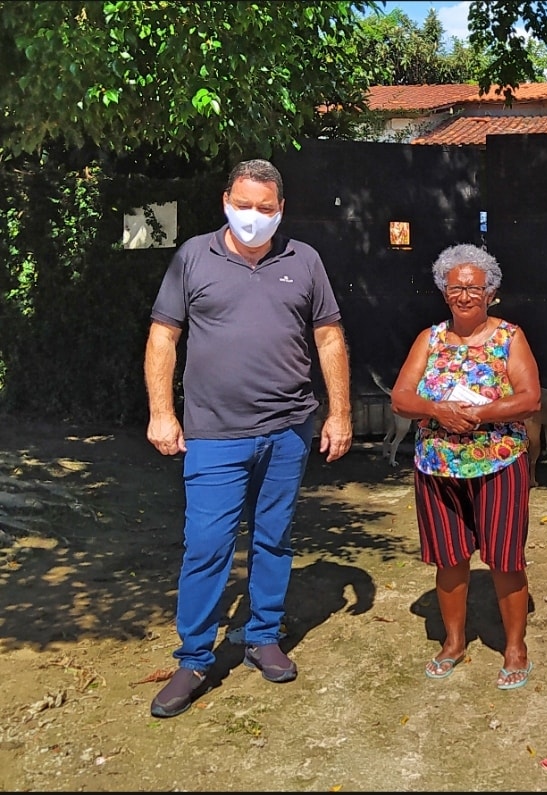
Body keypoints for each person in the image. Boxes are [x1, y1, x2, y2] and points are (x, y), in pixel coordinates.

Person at [143, 158, 353, 718]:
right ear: (225, 201)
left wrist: (340, 412)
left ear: (281, 209)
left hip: (288, 429)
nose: (253, 217)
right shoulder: (193, 256)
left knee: (274, 538)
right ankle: (193, 659)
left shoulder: (304, 260)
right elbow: (164, 336)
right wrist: (161, 413)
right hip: (213, 434)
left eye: (265, 208)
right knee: (207, 545)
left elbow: (329, 337)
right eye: (244, 205)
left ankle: (262, 635)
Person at [390, 243, 541, 690]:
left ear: (491, 291)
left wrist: (479, 414)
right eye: (456, 287)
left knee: (505, 557)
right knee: (449, 557)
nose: (466, 295)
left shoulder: (509, 337)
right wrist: (438, 410)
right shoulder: (429, 339)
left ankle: (515, 646)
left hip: (498, 463)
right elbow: (401, 398)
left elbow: (530, 399)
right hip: (437, 466)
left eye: (475, 288)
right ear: (444, 291)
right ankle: (453, 641)